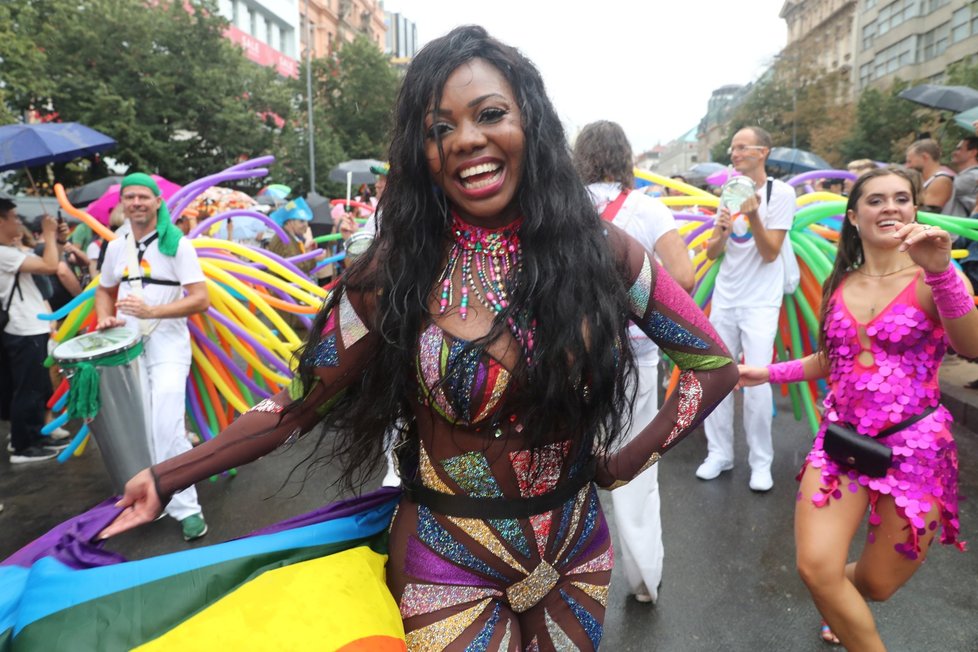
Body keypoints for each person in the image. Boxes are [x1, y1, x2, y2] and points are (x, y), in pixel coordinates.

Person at [98, 26, 738, 649]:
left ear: (530, 125)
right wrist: (166, 475)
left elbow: (712, 364)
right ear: (421, 152)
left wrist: (625, 463)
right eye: (439, 129)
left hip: (575, 554)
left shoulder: (604, 253)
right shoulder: (389, 273)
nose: (466, 140)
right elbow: (293, 408)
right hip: (448, 559)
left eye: (489, 113)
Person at [738, 167, 975, 649]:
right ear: (854, 216)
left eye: (902, 198)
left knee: (877, 585)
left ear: (914, 210)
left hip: (918, 454)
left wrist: (941, 270)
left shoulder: (935, 278)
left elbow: (972, 346)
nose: (890, 206)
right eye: (876, 200)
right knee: (815, 567)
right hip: (839, 446)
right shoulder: (838, 281)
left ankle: (839, 601)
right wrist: (767, 372)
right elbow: (833, 359)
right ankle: (838, 602)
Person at [572, 119, 694, 605]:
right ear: (626, 159)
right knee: (636, 471)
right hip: (635, 358)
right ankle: (644, 581)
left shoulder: (563, 206)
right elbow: (681, 273)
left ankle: (559, 577)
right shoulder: (647, 207)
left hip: (568, 359)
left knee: (561, 465)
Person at [94, 174, 210, 542]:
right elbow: (104, 289)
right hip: (128, 350)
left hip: (169, 348)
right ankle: (152, 499)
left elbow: (201, 299)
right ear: (122, 204)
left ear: (157, 201)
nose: (137, 202)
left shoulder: (178, 245)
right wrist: (104, 318)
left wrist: (152, 313)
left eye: (144, 196)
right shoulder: (116, 247)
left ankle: (188, 508)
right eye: (130, 197)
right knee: (140, 430)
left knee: (167, 428)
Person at [698, 126, 795, 492]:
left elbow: (770, 252)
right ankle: (719, 453)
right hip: (726, 298)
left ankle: (760, 462)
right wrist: (721, 232)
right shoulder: (728, 194)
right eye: (732, 148)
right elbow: (712, 253)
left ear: (763, 151)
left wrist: (753, 215)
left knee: (756, 382)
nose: (735, 154)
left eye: (742, 147)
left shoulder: (781, 193)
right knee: (717, 378)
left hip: (760, 302)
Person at [0, 202, 69, 463]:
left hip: (31, 325)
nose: (18, 222)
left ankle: (36, 437)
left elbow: (48, 259)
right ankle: (22, 446)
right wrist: (49, 233)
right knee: (27, 389)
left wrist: (57, 239)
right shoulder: (3, 254)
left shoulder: (9, 251)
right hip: (22, 327)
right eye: (14, 217)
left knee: (36, 387)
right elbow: (51, 266)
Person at [904, 139, 953, 213]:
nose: (907, 166)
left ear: (925, 157)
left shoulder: (941, 180)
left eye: (910, 161)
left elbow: (928, 212)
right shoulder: (926, 180)